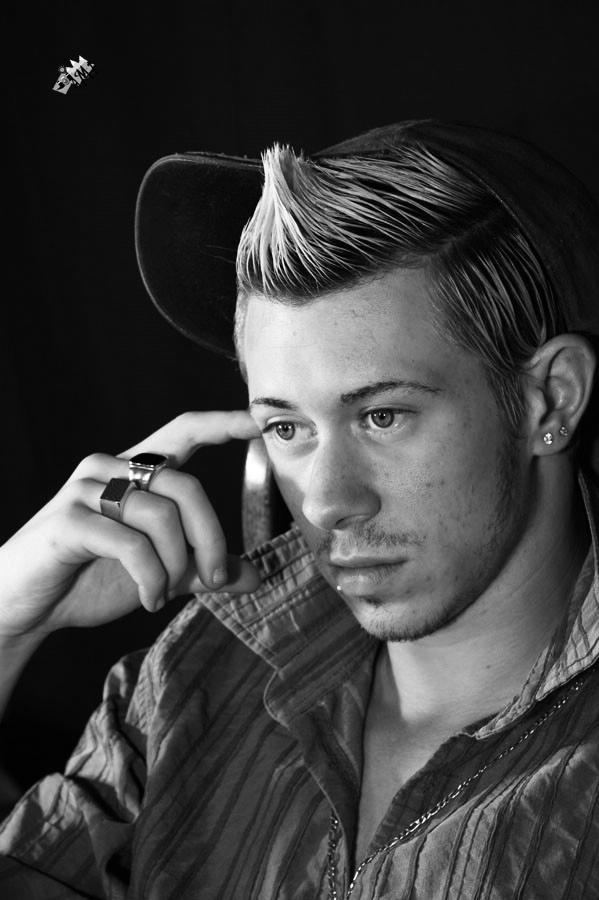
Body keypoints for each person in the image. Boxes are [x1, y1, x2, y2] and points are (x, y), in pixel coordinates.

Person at [0, 120, 598, 899]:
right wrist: (9, 621)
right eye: (286, 428)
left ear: (550, 398)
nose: (324, 501)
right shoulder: (196, 672)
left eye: (381, 416)